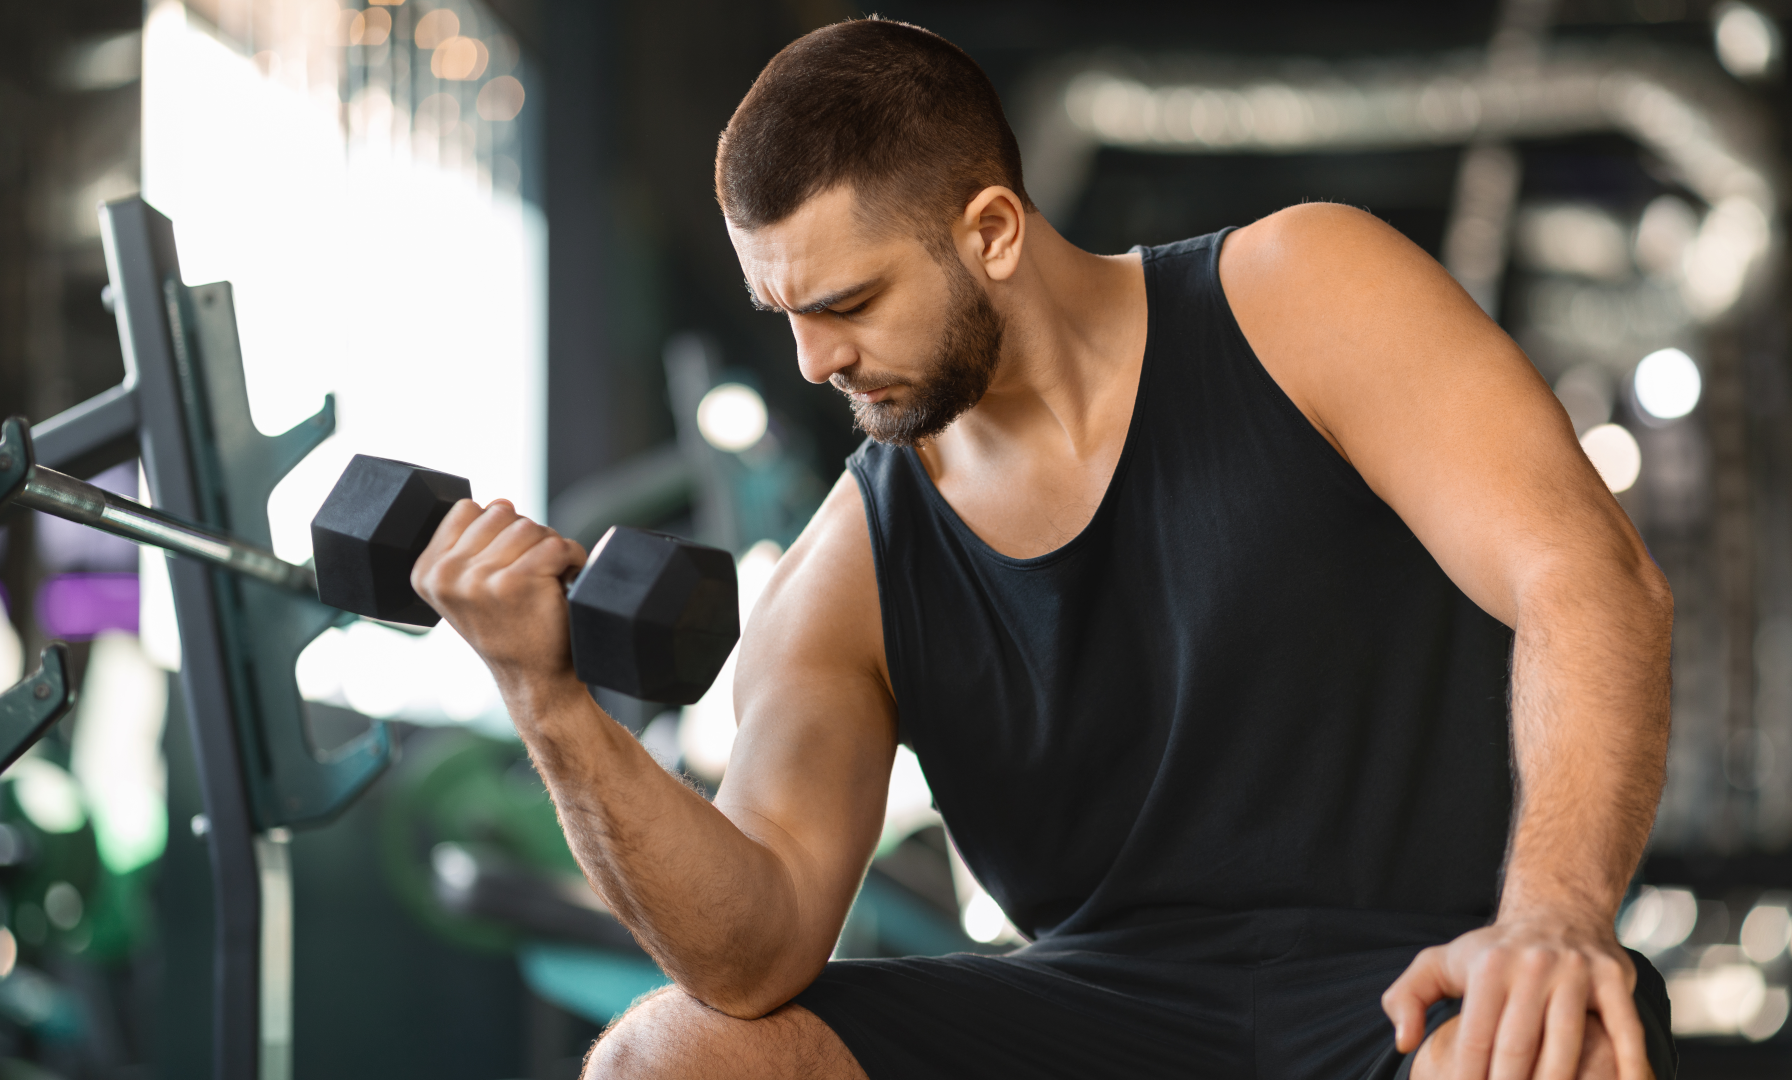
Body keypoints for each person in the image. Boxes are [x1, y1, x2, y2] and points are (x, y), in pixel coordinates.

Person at [411, 17, 1677, 1080]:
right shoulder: (853, 564)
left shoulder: (1300, 294)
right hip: (1097, 1016)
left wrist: (1554, 916)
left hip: (1428, 971)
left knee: (1551, 1050)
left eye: (847, 303)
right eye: (783, 314)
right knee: (671, 1056)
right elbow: (755, 954)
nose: (814, 362)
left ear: (994, 232)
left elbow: (1587, 577)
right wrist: (548, 698)